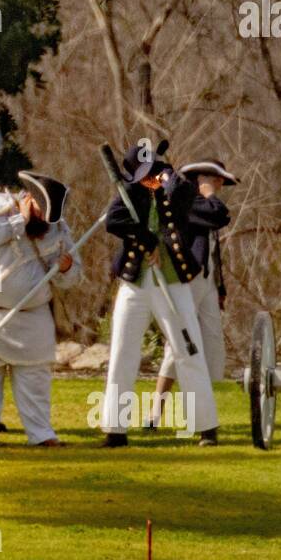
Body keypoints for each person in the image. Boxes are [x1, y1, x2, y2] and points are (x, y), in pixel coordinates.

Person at [0, 171, 82, 448]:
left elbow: (73, 277)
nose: (44, 219)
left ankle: (41, 434)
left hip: (31, 314)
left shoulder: (58, 229)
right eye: (39, 211)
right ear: (29, 198)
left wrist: (67, 268)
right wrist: (18, 220)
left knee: (35, 379)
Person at [100, 141, 219, 447]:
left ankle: (206, 426)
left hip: (172, 280)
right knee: (122, 352)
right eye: (144, 173)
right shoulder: (130, 194)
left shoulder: (175, 188)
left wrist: (167, 174)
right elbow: (114, 221)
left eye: (153, 170)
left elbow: (191, 204)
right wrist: (147, 240)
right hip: (135, 282)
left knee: (188, 349)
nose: (150, 177)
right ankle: (115, 429)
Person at [147, 159, 238, 427]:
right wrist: (207, 192)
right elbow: (220, 215)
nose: (220, 183)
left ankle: (199, 413)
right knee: (177, 346)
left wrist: (219, 287)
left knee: (211, 348)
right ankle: (155, 412)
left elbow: (213, 245)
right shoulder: (188, 202)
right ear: (201, 179)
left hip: (206, 282)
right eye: (215, 178)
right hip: (188, 278)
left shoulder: (204, 204)